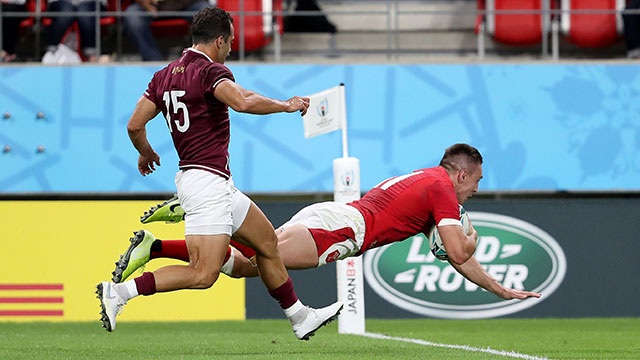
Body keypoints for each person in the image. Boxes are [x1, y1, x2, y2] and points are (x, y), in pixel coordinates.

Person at [97, 7, 343, 341]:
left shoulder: (164, 75)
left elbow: (134, 124)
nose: (230, 50)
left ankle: (300, 317)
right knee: (202, 274)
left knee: (267, 243)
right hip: (205, 184)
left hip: (214, 182)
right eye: (229, 43)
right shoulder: (209, 71)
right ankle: (121, 292)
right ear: (219, 40)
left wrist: (145, 152)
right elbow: (242, 101)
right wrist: (285, 105)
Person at [113, 144, 541, 302]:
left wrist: (500, 289)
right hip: (344, 228)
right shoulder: (442, 189)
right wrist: (472, 236)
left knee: (247, 265)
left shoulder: (427, 182)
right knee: (261, 257)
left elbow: (456, 260)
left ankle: (155, 246)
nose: (476, 191)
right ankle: (200, 207)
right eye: (477, 181)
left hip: (337, 220)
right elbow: (460, 252)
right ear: (462, 173)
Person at [124, 0, 210, 61]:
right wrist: (143, 2)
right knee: (133, 15)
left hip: (186, 5)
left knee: (208, 13)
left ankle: (192, 57)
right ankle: (153, 61)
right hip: (152, 6)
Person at [41, 0, 106, 63]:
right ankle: (52, 53)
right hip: (60, 3)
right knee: (66, 10)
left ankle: (91, 55)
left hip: (91, 3)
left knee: (84, 11)